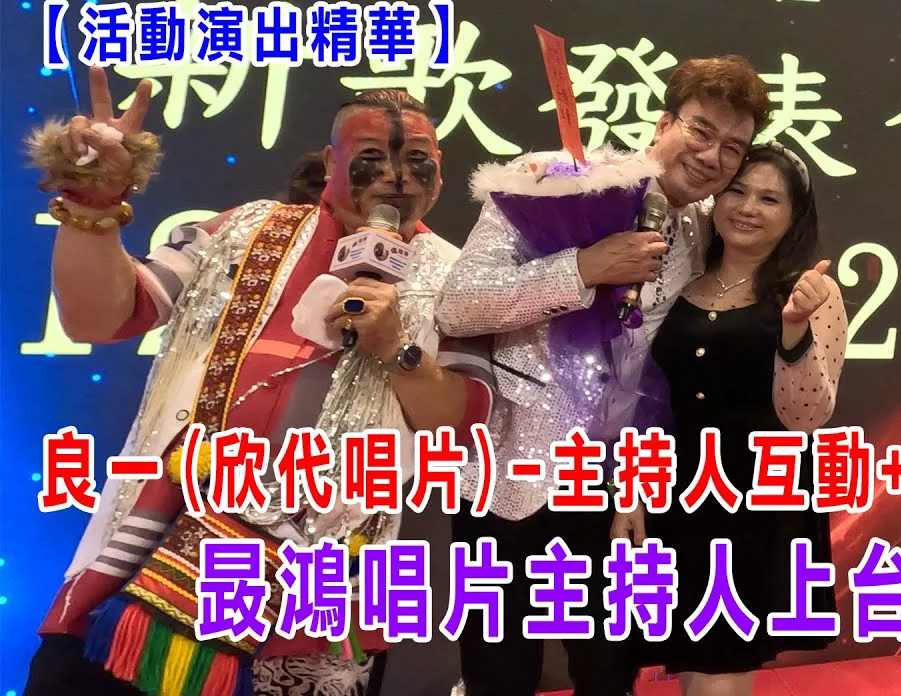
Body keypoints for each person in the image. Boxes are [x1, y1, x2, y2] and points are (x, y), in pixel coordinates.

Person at [24, 67, 495, 696]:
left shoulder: (460, 277)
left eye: (417, 159)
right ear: (331, 162)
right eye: (371, 156)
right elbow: (96, 317)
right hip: (163, 537)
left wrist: (395, 348)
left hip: (325, 573)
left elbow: (458, 424)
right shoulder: (240, 229)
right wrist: (94, 202)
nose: (396, 175)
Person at [434, 55, 772, 696]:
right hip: (508, 474)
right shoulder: (554, 181)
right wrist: (583, 268)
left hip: (617, 493)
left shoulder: (710, 235)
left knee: (609, 677)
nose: (712, 157)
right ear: (663, 124)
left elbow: (666, 378)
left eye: (733, 148)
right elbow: (459, 305)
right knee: (497, 677)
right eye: (701, 131)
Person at [619, 142, 848, 695]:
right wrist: (632, 492)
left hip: (755, 503)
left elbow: (807, 414)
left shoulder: (812, 293)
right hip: (676, 495)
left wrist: (793, 328)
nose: (747, 207)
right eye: (737, 191)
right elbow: (641, 397)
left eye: (769, 198)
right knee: (690, 665)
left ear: (794, 215)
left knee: (724, 667)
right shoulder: (676, 281)